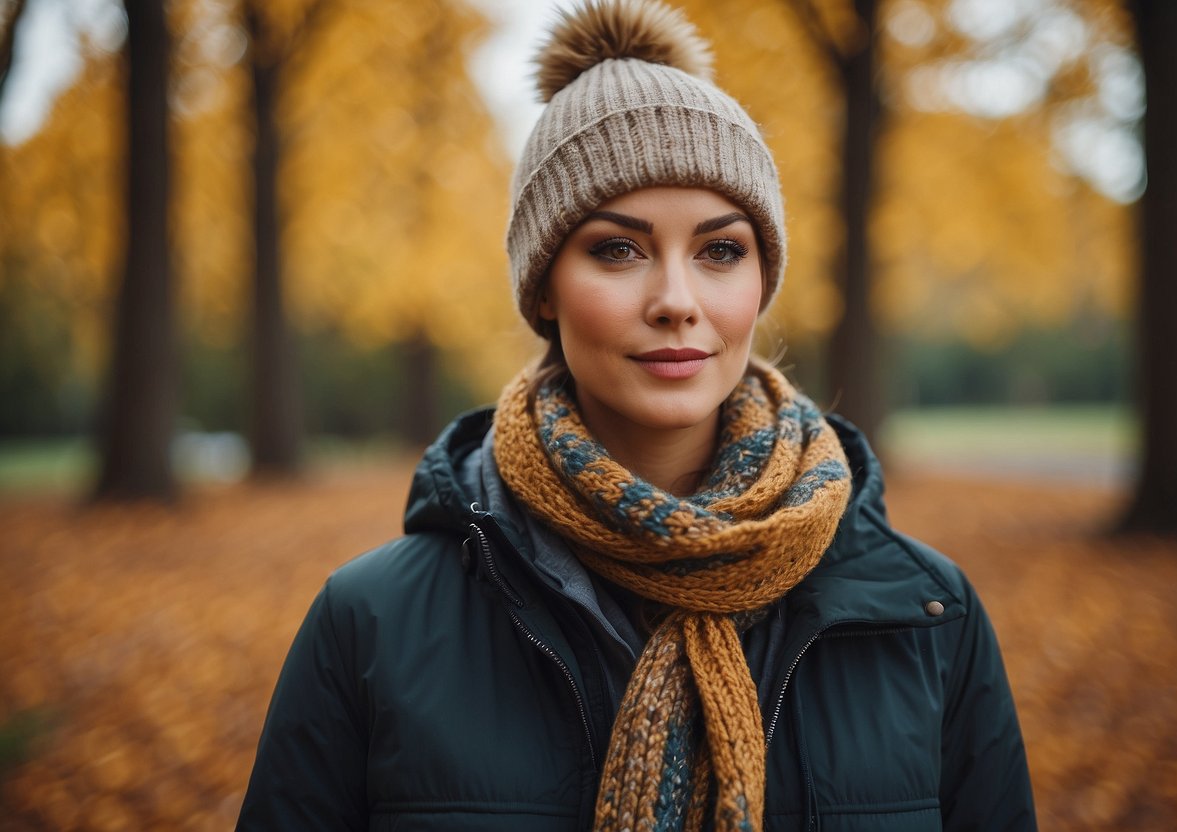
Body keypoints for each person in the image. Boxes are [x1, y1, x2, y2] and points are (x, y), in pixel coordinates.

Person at [236, 1, 1037, 830]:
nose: (676, 302)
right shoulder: (371, 623)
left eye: (720, 250)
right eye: (617, 248)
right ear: (542, 285)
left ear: (762, 280)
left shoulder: (929, 614)